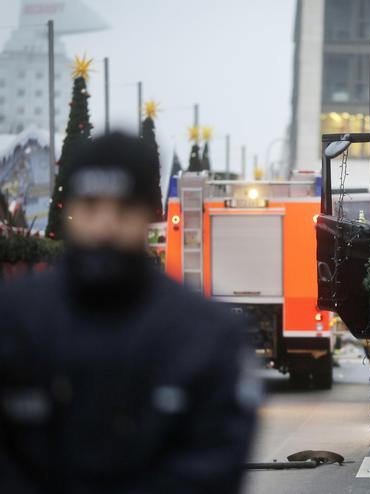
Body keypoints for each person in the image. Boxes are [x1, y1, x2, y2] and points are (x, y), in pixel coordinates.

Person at [0, 133, 259, 493]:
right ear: (70, 210)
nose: (105, 224)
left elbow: (215, 460)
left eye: (122, 209)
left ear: (146, 216)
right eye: (91, 206)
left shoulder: (204, 334)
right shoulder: (15, 321)